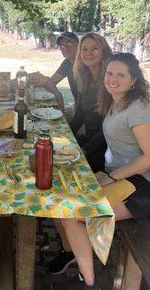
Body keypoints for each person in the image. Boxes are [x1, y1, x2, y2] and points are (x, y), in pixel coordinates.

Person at [50, 52, 150, 289]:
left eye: (120, 74)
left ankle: (89, 282)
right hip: (122, 178)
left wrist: (111, 176)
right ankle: (73, 252)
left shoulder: (138, 108)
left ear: (133, 80)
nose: (112, 78)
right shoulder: (117, 101)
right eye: (109, 73)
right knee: (60, 196)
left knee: (73, 215)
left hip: (141, 187)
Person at [70, 32, 112, 173]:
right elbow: (80, 114)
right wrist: (66, 133)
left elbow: (108, 127)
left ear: (104, 52)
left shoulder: (110, 82)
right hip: (89, 138)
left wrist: (86, 149)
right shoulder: (85, 77)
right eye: (84, 49)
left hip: (105, 147)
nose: (89, 53)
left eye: (95, 48)